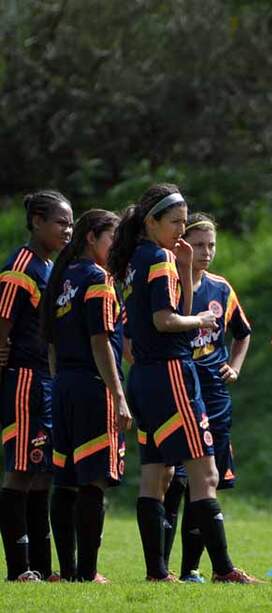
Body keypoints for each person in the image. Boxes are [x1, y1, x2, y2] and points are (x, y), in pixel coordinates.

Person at [109, 183, 259, 583]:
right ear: (151, 221)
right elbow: (167, 321)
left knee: (155, 474)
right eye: (174, 221)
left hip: (143, 377)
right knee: (204, 475)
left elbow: (170, 309)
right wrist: (202, 322)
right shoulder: (157, 257)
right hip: (172, 373)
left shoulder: (134, 260)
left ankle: (157, 572)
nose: (180, 229)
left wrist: (187, 268)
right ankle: (224, 570)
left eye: (183, 222)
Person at [159, 213, 252, 582]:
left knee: (205, 483)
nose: (206, 252)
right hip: (179, 390)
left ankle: (192, 569)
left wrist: (234, 365)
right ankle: (161, 570)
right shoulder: (170, 286)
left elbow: (243, 333)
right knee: (174, 480)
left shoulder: (221, 289)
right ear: (183, 245)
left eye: (211, 244)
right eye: (199, 244)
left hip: (214, 396)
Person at [42, 209, 130, 583]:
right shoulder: (98, 279)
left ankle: (68, 569)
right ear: (92, 238)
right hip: (93, 387)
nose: (115, 248)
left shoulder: (63, 278)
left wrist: (60, 380)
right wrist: (119, 395)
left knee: (65, 479)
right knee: (93, 479)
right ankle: (88, 573)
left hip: (62, 385)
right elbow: (100, 342)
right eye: (112, 239)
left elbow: (50, 344)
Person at [0, 190, 73, 581]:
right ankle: (18, 569)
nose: (68, 229)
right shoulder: (20, 267)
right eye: (61, 222)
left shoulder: (51, 266)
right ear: (37, 222)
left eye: (71, 222)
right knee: (21, 470)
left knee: (43, 470)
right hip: (24, 379)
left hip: (47, 382)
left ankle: (42, 568)